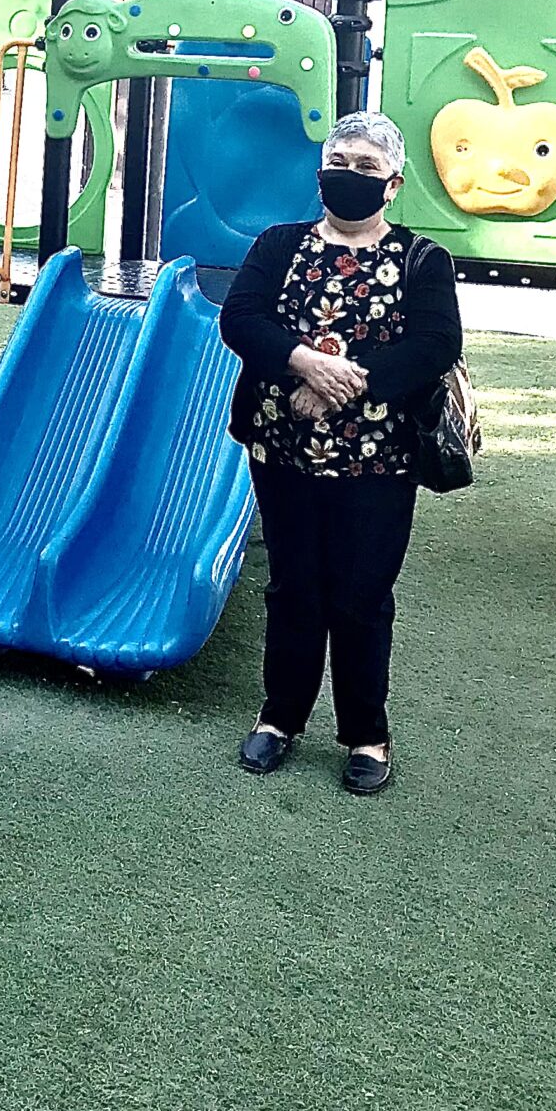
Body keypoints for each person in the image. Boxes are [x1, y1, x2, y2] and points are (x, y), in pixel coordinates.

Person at [216, 112, 464, 795]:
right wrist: (305, 363)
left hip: (379, 460)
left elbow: (434, 344)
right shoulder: (279, 244)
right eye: (340, 162)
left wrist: (337, 385)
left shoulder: (423, 259)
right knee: (292, 588)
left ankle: (365, 734)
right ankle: (279, 719)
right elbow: (241, 318)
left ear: (393, 184)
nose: (349, 176)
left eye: (366, 167)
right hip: (283, 450)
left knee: (361, 596)